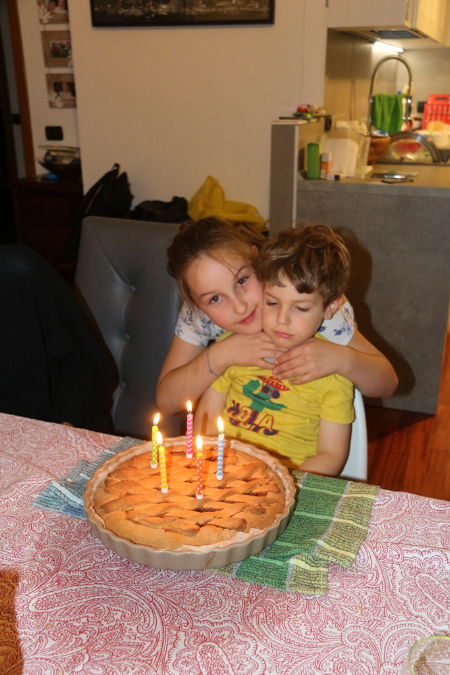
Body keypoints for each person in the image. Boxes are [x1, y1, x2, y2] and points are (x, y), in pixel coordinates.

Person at [156, 218, 398, 416]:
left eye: (242, 280)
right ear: (196, 303)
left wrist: (341, 359)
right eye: (215, 299)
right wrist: (223, 353)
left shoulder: (311, 303)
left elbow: (387, 383)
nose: (240, 307)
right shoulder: (199, 316)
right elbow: (167, 402)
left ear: (257, 260)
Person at [194, 225, 355, 475]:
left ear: (330, 308)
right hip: (224, 473)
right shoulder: (233, 347)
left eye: (300, 308)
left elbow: (331, 455)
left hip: (290, 482)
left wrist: (282, 481)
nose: (282, 320)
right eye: (272, 303)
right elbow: (205, 422)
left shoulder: (334, 375)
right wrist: (214, 464)